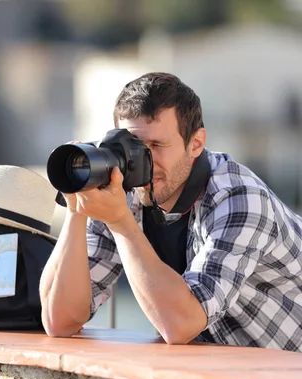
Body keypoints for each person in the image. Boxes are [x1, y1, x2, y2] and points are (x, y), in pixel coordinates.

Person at [39, 72, 302, 351]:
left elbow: (180, 324)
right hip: (230, 371)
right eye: (132, 147)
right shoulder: (122, 192)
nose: (142, 161)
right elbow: (59, 320)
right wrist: (77, 209)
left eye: (156, 146)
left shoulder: (239, 199)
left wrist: (120, 222)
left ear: (196, 144)